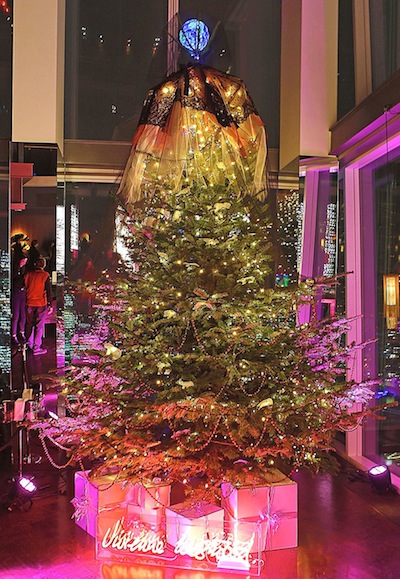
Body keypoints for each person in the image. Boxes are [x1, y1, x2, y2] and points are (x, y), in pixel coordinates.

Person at [24, 257, 53, 355]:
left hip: (29, 303)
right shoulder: (45, 275)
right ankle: (36, 348)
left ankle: (29, 344)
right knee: (39, 326)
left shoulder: (28, 274)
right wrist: (50, 304)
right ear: (43, 265)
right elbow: (49, 291)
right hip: (41, 303)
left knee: (29, 324)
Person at [11, 255, 28, 345]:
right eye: (23, 261)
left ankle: (21, 332)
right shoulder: (15, 269)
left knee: (23, 314)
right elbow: (15, 281)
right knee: (16, 315)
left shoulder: (24, 269)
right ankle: (14, 334)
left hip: (22, 293)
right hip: (17, 293)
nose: (24, 263)